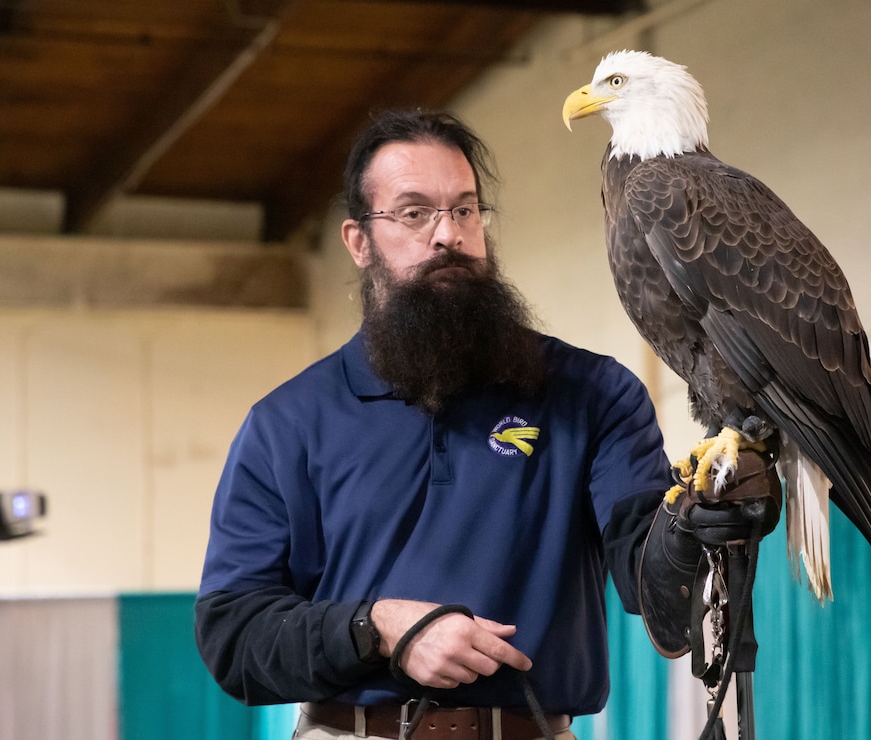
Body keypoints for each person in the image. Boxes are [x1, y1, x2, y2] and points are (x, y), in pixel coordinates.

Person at [194, 109, 778, 740]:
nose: (448, 234)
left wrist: (693, 525)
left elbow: (652, 582)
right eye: (414, 213)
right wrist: (380, 629)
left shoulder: (592, 394)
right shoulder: (287, 422)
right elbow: (233, 633)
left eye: (466, 210)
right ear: (359, 242)